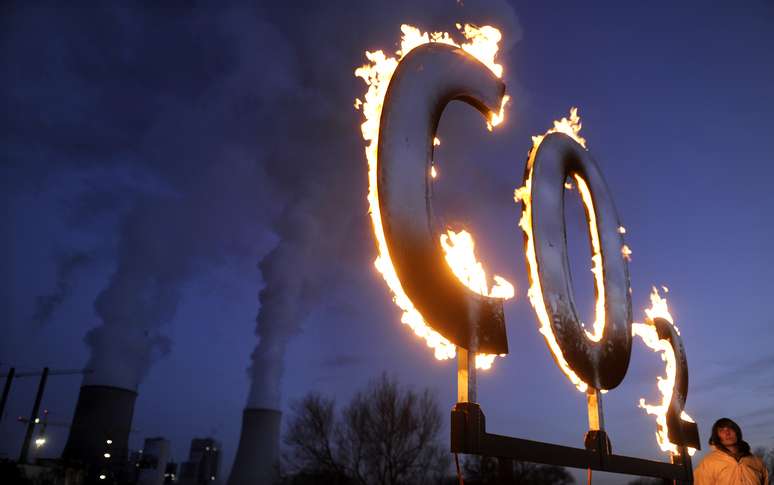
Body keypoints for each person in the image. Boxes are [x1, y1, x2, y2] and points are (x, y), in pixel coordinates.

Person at [694, 417, 769, 484]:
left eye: (730, 429)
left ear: (737, 432)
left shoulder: (756, 462)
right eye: (721, 430)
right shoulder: (707, 464)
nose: (727, 433)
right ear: (717, 436)